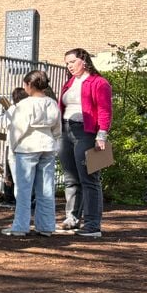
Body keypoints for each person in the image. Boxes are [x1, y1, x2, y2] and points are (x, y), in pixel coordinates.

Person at [58, 47, 112, 238]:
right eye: (67, 63)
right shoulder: (70, 82)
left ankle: (92, 225)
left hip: (86, 133)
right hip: (66, 131)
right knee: (70, 178)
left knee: (89, 179)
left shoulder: (99, 82)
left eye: (72, 61)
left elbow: (105, 110)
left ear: (83, 59)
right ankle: (72, 219)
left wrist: (102, 135)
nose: (69, 66)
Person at [0, 71, 61, 237]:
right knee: (46, 188)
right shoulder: (52, 103)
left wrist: (13, 147)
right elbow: (57, 128)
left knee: (24, 189)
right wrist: (53, 139)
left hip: (27, 148)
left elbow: (17, 130)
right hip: (47, 146)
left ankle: (20, 226)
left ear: (29, 85)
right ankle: (46, 226)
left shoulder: (25, 105)